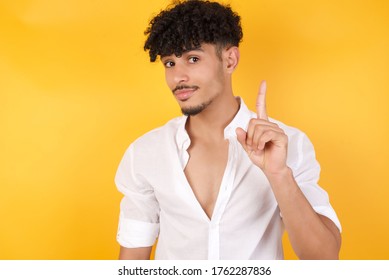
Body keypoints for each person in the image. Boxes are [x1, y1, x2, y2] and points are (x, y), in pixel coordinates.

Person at [115, 0, 341, 260]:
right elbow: (132, 262)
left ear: (230, 60)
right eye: (170, 63)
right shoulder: (145, 153)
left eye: (193, 58)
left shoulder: (288, 143)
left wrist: (279, 174)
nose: (178, 77)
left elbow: (324, 258)